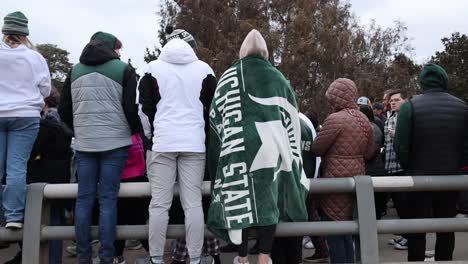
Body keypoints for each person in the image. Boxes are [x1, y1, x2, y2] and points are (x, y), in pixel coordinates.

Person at [207, 29, 308, 264]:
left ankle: (241, 256)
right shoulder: (277, 77)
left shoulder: (228, 77)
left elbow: (215, 119)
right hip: (271, 145)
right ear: (266, 53)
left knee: (239, 199)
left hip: (237, 147)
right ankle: (264, 255)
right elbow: (292, 117)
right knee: (268, 199)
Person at [59, 31, 141, 264]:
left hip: (85, 145)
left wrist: (79, 131)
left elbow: (64, 108)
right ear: (110, 47)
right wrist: (130, 130)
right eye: (117, 48)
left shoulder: (74, 70)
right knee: (108, 200)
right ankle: (107, 257)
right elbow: (131, 109)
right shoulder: (123, 70)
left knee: (83, 199)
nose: (119, 53)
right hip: (115, 144)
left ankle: (83, 256)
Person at [137, 27, 217, 264]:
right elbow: (213, 109)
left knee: (159, 203)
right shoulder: (204, 69)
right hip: (194, 143)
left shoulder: (152, 68)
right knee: (192, 202)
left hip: (163, 142)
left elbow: (142, 109)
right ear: (191, 46)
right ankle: (195, 258)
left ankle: (156, 257)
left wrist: (153, 135)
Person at [394, 64, 468, 261]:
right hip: (451, 180)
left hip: (418, 179)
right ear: (444, 80)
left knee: (417, 227)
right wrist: (458, 168)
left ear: (422, 82)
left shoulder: (410, 106)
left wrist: (409, 166)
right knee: (446, 228)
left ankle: (416, 260)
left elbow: (400, 144)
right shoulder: (462, 107)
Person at [312, 78, 374, 263]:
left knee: (334, 231)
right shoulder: (364, 119)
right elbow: (370, 153)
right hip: (357, 176)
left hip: (334, 178)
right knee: (349, 229)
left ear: (336, 98)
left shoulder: (334, 119)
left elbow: (317, 148)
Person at [0, 11, 51, 230]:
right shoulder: (35, 57)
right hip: (26, 115)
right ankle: (14, 215)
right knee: (16, 167)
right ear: (24, 33)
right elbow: (46, 89)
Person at [300, 113, 330, 263]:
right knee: (311, 214)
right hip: (310, 177)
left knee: (309, 215)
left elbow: (317, 149)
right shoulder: (305, 122)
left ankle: (322, 250)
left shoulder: (300, 121)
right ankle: (322, 249)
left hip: (303, 179)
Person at [383, 89, 409, 250]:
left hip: (401, 167)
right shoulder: (391, 116)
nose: (393, 102)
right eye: (391, 100)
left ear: (405, 101)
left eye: (397, 100)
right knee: (399, 205)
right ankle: (405, 234)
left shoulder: (405, 118)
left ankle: (409, 238)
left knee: (405, 205)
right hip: (390, 166)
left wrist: (398, 135)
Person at [359, 104, 387, 219]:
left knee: (373, 208)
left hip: (373, 171)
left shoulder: (372, 129)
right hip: (371, 170)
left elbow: (370, 153)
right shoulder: (370, 127)